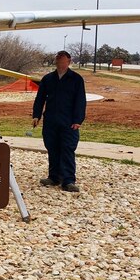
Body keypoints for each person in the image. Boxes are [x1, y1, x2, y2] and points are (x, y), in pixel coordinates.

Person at [32, 50, 87, 193]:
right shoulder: (48, 78)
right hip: (51, 120)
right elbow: (40, 98)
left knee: (67, 149)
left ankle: (68, 180)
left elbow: (80, 101)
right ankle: (54, 177)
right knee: (52, 148)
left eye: (62, 60)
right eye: (57, 59)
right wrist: (36, 115)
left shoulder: (76, 79)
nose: (59, 62)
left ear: (69, 62)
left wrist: (78, 119)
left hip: (69, 122)